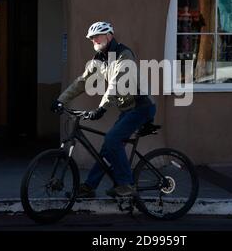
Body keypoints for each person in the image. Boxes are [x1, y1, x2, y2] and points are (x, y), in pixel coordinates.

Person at [51, 21, 156, 198]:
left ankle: (126, 184)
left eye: (97, 37)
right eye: (91, 39)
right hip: (127, 110)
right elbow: (82, 82)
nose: (94, 41)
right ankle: (90, 187)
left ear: (109, 36)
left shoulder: (124, 55)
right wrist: (60, 100)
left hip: (141, 107)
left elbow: (115, 83)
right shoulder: (99, 59)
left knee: (112, 139)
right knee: (107, 147)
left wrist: (101, 108)